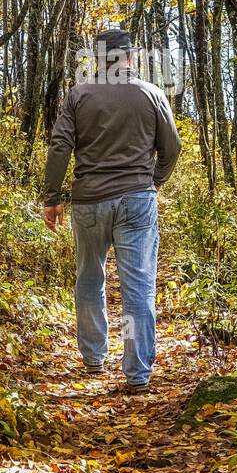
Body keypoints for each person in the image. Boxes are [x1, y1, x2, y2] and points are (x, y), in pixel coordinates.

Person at [42, 28, 181, 392]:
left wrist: (52, 197)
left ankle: (93, 358)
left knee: (90, 277)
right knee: (138, 286)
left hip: (89, 201)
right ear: (131, 57)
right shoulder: (151, 94)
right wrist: (154, 181)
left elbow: (60, 147)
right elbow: (173, 148)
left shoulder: (79, 94)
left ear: (99, 59)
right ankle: (137, 375)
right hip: (137, 199)